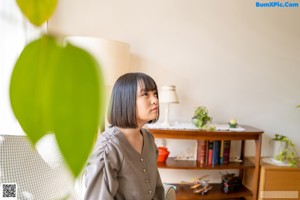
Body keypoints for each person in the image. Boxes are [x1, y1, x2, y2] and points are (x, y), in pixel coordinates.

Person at [84, 72, 165, 200]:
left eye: (155, 94)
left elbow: (157, 191)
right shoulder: (108, 148)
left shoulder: (148, 139)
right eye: (145, 94)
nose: (155, 100)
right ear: (126, 100)